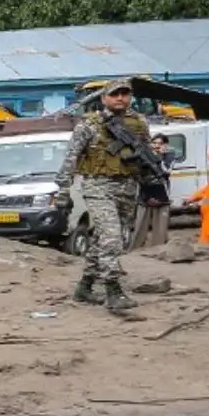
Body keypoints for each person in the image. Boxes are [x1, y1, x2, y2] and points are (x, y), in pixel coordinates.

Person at [54, 78, 164, 312]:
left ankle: (84, 286)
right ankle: (113, 290)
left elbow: (143, 156)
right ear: (104, 98)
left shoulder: (139, 123)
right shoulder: (89, 124)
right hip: (98, 186)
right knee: (112, 237)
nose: (120, 98)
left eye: (125, 94)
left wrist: (150, 185)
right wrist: (63, 190)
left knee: (104, 238)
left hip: (127, 187)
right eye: (115, 94)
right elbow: (70, 158)